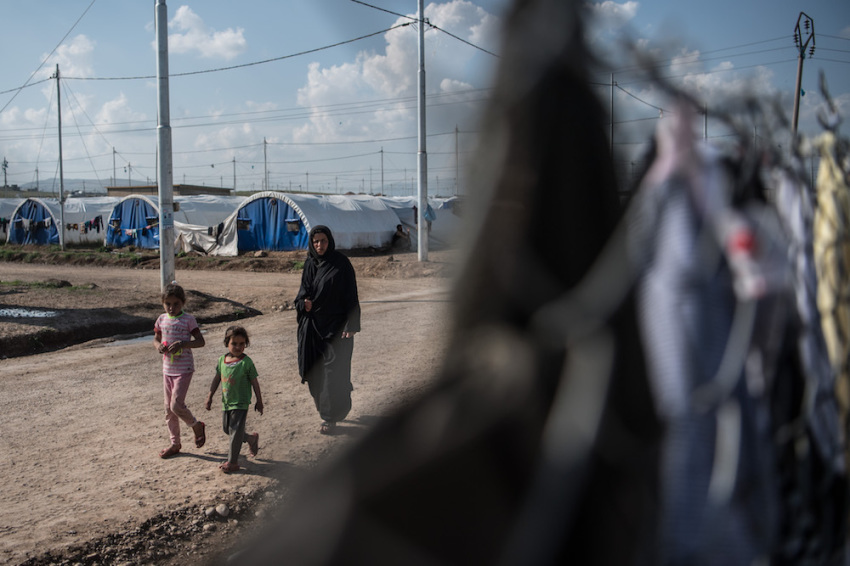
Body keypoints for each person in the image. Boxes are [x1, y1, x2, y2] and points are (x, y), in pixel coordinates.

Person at [295, 225, 361, 435]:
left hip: (337, 328)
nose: (319, 245)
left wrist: (351, 325)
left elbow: (351, 296)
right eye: (316, 242)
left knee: (334, 373)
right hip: (313, 327)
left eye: (323, 241)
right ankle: (328, 407)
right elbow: (303, 292)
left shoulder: (341, 264)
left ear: (329, 241)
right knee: (315, 373)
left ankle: (329, 418)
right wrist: (303, 303)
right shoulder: (310, 263)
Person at [153, 282, 207, 459]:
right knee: (168, 410)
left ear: (182, 303)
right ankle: (175, 444)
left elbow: (200, 341)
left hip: (184, 369)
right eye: (168, 303)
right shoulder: (161, 319)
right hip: (167, 369)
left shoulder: (188, 320)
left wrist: (184, 344)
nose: (171, 307)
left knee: (176, 405)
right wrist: (159, 346)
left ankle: (196, 425)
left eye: (176, 303)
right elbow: (156, 339)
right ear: (163, 303)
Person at [205, 325, 264, 473]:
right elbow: (217, 379)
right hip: (227, 402)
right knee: (228, 429)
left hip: (241, 402)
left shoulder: (246, 362)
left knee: (235, 430)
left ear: (246, 344)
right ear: (227, 343)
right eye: (234, 343)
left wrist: (259, 400)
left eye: (242, 344)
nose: (238, 347)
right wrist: (210, 396)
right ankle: (251, 439)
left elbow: (254, 382)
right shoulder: (221, 360)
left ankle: (232, 462)